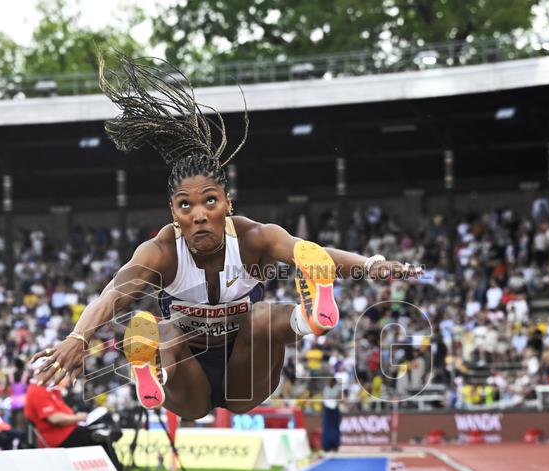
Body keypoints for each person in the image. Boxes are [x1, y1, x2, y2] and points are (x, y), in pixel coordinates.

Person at [31, 56, 417, 419]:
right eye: (186, 206)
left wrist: (371, 265)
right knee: (161, 329)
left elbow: (312, 253)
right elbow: (113, 296)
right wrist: (78, 338)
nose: (198, 215)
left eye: (209, 201)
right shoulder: (162, 252)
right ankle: (148, 366)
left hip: (246, 372)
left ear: (227, 203)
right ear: (173, 213)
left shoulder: (252, 239)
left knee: (262, 315)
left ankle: (313, 316)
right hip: (189, 376)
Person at [24, 381, 142, 471]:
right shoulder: (39, 391)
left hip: (67, 432)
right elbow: (54, 419)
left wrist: (77, 418)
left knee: (103, 435)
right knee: (102, 438)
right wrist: (78, 418)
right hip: (60, 438)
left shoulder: (46, 390)